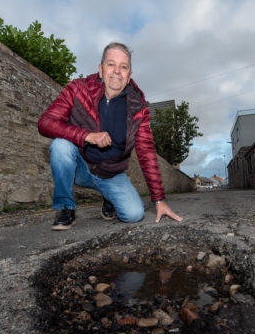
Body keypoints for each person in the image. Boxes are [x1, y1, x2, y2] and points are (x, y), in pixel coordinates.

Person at [38, 42, 183, 230]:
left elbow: (147, 152)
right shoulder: (77, 89)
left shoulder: (139, 108)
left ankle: (109, 198)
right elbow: (45, 123)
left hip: (111, 173)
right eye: (111, 64)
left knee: (134, 214)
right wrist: (87, 135)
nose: (117, 71)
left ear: (129, 75)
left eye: (123, 67)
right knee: (60, 146)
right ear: (100, 69)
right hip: (80, 168)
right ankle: (66, 207)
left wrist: (159, 199)